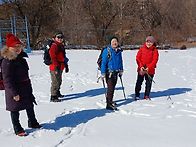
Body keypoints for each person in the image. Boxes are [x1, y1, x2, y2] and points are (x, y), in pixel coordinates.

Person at [1, 33, 41, 136]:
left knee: (30, 105)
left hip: (25, 87)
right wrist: (14, 93)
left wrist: (29, 87)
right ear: (9, 48)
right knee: (14, 109)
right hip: (14, 89)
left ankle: (32, 122)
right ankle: (17, 128)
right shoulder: (7, 62)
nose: (17, 48)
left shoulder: (21, 59)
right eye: (15, 46)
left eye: (19, 46)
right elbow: (7, 80)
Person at [101, 36, 123, 110]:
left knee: (113, 87)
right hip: (109, 73)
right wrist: (103, 72)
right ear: (110, 43)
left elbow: (120, 61)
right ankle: (108, 104)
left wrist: (121, 70)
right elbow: (103, 63)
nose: (114, 43)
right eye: (113, 41)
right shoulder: (107, 51)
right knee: (110, 88)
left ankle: (110, 100)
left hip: (116, 72)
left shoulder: (118, 51)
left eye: (116, 41)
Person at [134, 36, 159, 100]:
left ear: (153, 43)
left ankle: (146, 95)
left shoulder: (155, 50)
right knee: (139, 82)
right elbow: (138, 58)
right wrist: (141, 66)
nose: (149, 43)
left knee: (148, 83)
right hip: (141, 69)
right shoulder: (142, 48)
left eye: (150, 42)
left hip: (150, 70)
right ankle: (137, 94)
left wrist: (149, 67)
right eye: (147, 42)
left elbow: (155, 60)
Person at [49, 31, 69, 102]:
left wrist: (66, 66)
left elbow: (62, 57)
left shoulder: (60, 45)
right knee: (55, 81)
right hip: (55, 67)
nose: (60, 39)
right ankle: (53, 96)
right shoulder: (54, 46)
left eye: (61, 37)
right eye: (58, 37)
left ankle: (57, 92)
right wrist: (56, 67)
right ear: (54, 38)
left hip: (60, 66)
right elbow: (53, 57)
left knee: (59, 80)